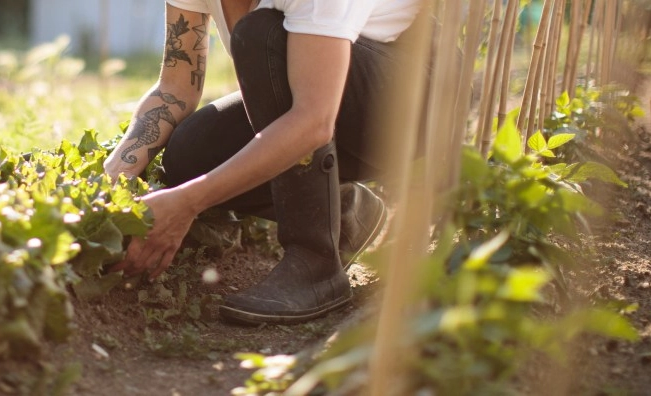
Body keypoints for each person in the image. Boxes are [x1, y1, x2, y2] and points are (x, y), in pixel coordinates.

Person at [104, 0, 421, 325]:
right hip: (321, 92)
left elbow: (314, 121)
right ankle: (345, 212)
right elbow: (177, 86)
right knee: (191, 152)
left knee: (261, 35)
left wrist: (188, 202)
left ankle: (315, 262)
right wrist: (117, 169)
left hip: (411, 103)